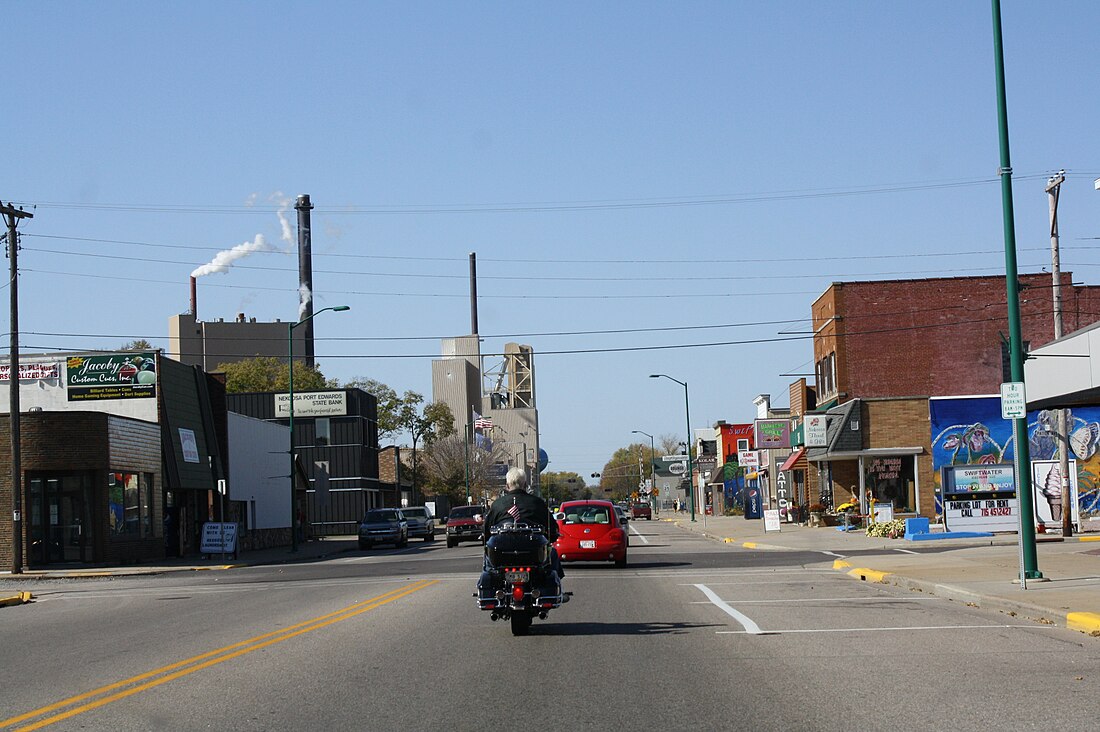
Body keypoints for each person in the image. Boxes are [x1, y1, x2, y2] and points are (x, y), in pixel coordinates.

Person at [478, 467, 564, 603]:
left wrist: (487, 537)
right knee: (552, 554)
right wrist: (552, 536)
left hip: (502, 554)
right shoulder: (537, 503)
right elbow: (552, 528)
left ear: (507, 486)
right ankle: (554, 591)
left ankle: (491, 592)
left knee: (488, 557)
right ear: (525, 485)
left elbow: (486, 531)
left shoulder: (498, 504)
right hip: (533, 553)